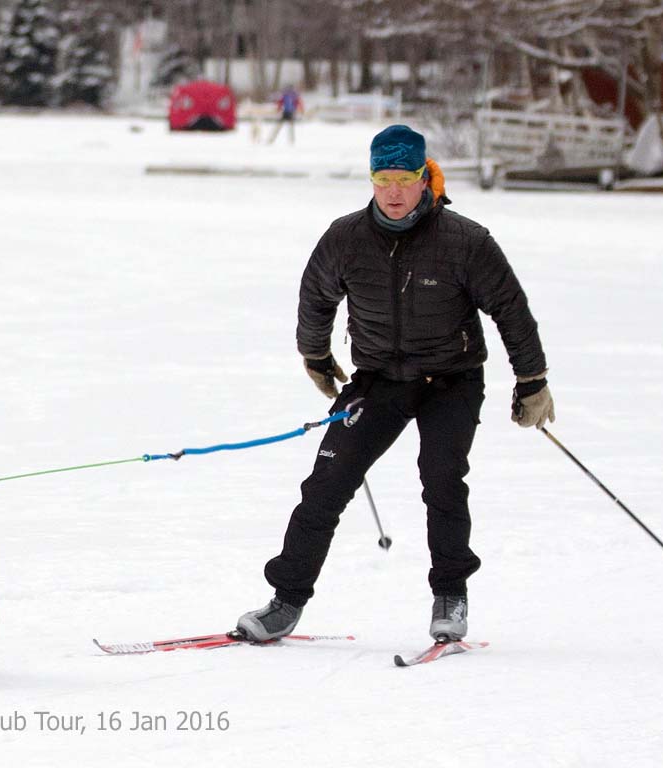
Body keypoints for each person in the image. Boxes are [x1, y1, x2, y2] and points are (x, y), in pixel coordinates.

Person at [236, 124, 554, 644]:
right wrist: (316, 354)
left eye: (404, 178)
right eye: (382, 178)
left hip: (451, 379)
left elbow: (510, 310)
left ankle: (450, 595)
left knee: (442, 477)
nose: (394, 191)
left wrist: (531, 379)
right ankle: (285, 602)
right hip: (379, 378)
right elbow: (316, 295)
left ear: (423, 177)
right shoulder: (346, 237)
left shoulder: (465, 241)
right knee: (326, 483)